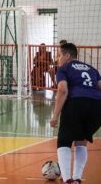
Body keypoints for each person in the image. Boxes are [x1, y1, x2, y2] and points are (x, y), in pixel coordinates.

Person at [50, 43, 101, 184]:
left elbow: (62, 90)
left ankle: (67, 179)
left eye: (59, 55)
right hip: (97, 106)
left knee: (64, 141)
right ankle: (77, 179)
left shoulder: (63, 68)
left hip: (77, 102)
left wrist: (55, 116)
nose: (58, 58)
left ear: (67, 56)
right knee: (81, 142)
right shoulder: (92, 69)